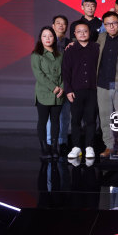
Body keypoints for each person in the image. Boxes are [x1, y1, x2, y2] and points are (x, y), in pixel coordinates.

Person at [62, 22, 100, 159]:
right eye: (79, 31)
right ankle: (76, 147)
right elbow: (65, 72)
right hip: (75, 91)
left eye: (85, 31)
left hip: (92, 90)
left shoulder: (96, 48)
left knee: (91, 120)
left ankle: (89, 146)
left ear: (89, 33)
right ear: (75, 34)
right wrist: (68, 90)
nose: (82, 34)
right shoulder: (70, 50)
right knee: (76, 120)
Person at [96, 11, 118, 158]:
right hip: (102, 83)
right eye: (108, 24)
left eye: (114, 23)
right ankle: (109, 146)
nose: (111, 26)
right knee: (105, 117)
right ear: (104, 25)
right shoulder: (100, 38)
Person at [31, 27, 64, 160]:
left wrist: (62, 88)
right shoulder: (36, 55)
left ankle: (54, 147)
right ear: (41, 38)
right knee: (43, 121)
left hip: (59, 93)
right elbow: (39, 75)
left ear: (54, 38)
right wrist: (53, 87)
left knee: (56, 121)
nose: (48, 38)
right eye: (44, 36)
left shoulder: (60, 55)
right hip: (44, 92)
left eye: (50, 36)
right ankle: (44, 148)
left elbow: (65, 73)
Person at [46, 15, 71, 155]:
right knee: (52, 117)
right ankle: (50, 143)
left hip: (66, 84)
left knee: (65, 116)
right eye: (58, 23)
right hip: (52, 86)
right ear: (53, 26)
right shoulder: (47, 42)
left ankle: (62, 142)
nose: (61, 25)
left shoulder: (70, 43)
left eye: (64, 23)